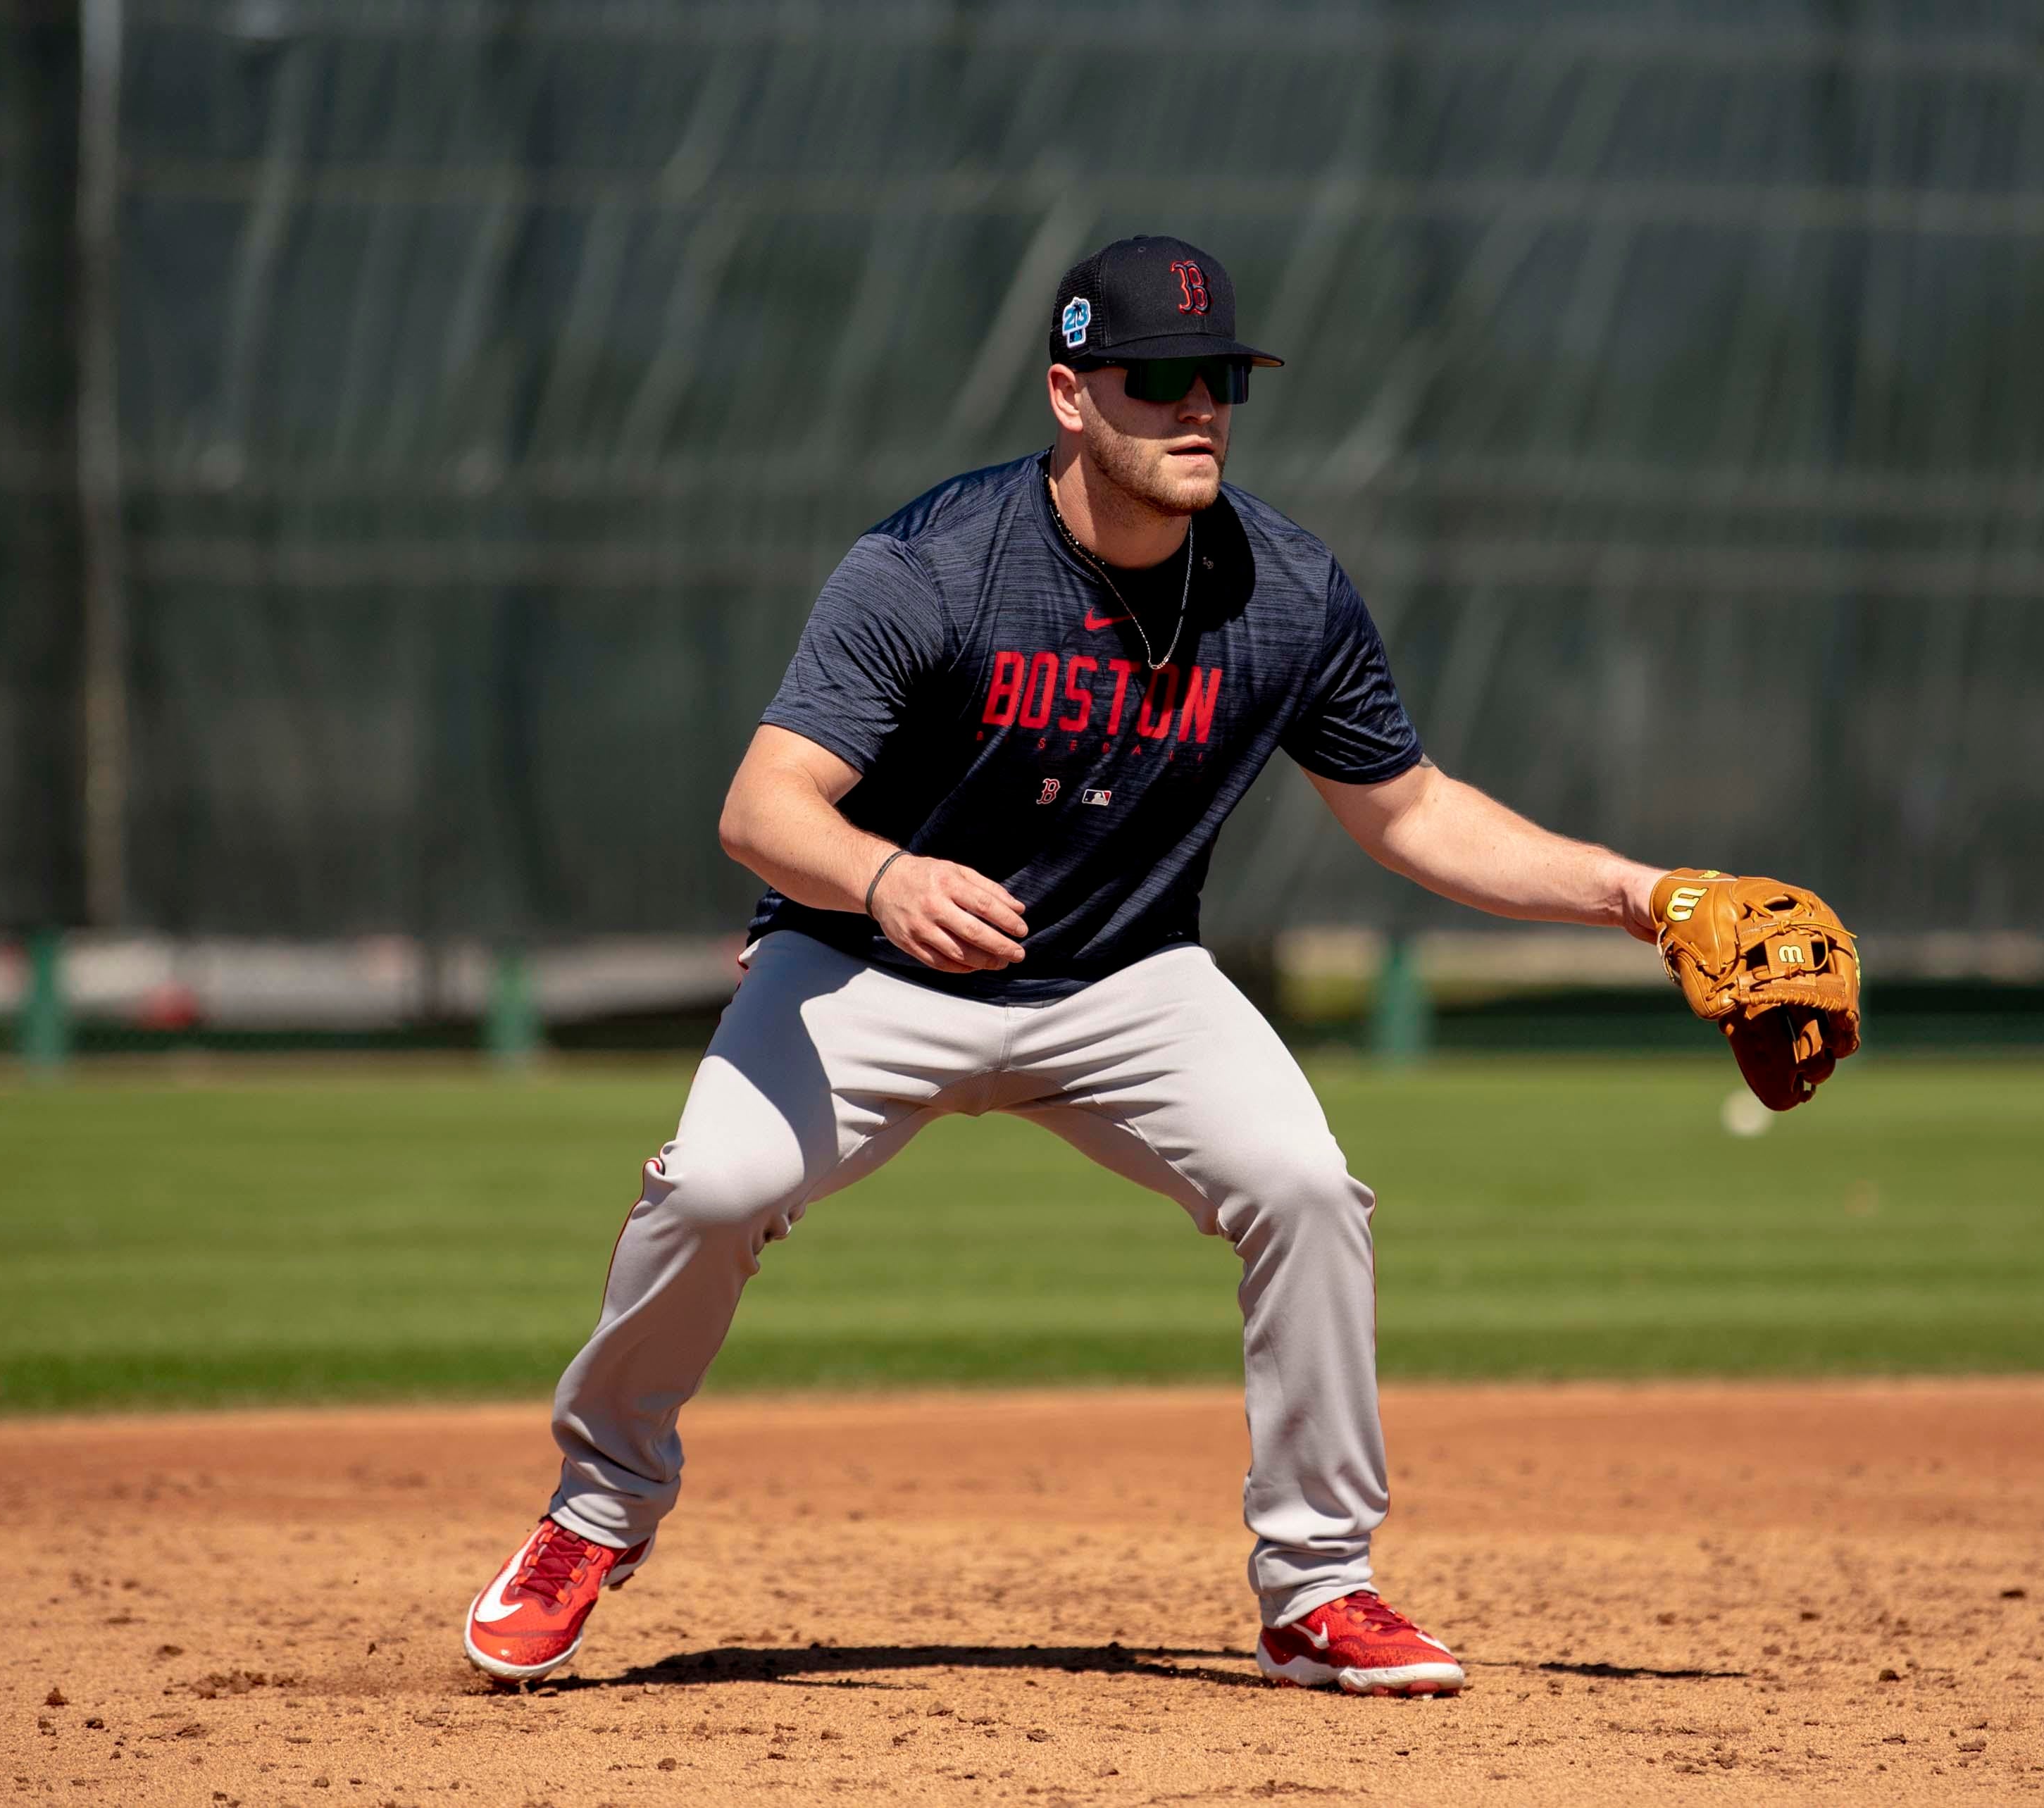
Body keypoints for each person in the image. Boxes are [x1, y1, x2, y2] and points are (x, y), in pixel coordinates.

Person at [461, 235, 1674, 1697]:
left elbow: (1407, 812)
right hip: (869, 974)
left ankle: (1318, 1589)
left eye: (1219, 378)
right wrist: (883, 876)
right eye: (1155, 377)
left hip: (1121, 986)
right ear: (1067, 394)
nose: (1196, 408)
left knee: (1304, 1189)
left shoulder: (1284, 591)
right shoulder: (931, 568)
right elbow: (760, 807)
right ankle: (593, 1517)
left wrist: (1636, 892)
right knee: (713, 1188)